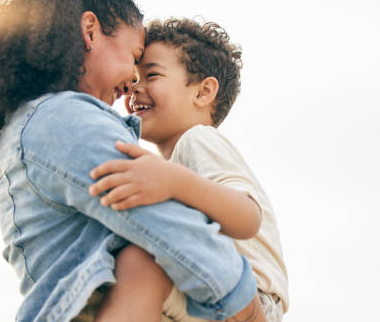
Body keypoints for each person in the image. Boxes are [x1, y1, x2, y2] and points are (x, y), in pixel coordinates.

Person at [0, 0, 261, 322]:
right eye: (134, 57)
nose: (132, 86)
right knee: (141, 262)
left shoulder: (37, 124)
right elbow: (164, 224)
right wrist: (245, 306)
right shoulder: (65, 121)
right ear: (89, 32)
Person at [87, 18, 289, 322]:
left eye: (151, 74)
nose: (134, 86)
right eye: (134, 75)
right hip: (209, 289)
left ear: (204, 92)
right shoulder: (174, 160)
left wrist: (172, 181)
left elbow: (248, 215)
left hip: (248, 296)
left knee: (131, 268)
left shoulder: (198, 140)